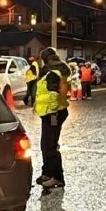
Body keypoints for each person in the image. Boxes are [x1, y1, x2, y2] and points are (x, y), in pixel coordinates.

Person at [35, 47, 71, 190]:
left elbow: (54, 95)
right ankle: (47, 173)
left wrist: (53, 112)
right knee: (46, 145)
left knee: (50, 146)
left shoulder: (52, 73)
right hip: (50, 113)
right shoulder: (55, 70)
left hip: (53, 114)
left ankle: (56, 178)